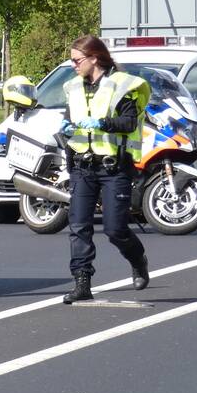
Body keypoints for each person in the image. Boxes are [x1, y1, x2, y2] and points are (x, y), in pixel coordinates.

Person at [57, 35, 152, 304]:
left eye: (77, 60)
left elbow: (128, 122)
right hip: (82, 165)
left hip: (114, 166)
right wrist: (66, 126)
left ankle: (137, 259)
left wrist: (99, 122)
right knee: (78, 226)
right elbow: (71, 118)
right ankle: (82, 282)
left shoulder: (123, 85)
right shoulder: (73, 87)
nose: (73, 65)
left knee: (115, 229)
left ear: (94, 58)